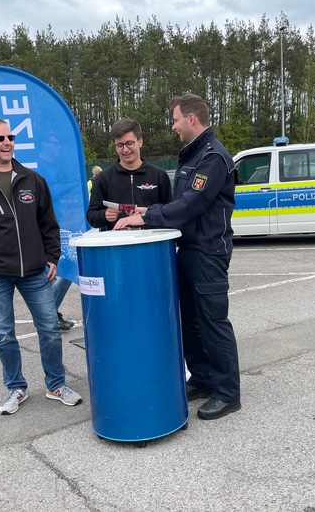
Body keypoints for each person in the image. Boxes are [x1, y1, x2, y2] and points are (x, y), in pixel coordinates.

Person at [114, 94, 241, 420]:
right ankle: (201, 377)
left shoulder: (213, 158)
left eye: (175, 119)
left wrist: (145, 217)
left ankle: (227, 392)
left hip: (208, 252)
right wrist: (149, 210)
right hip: (189, 249)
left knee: (213, 322)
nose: (173, 126)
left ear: (192, 120)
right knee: (191, 321)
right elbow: (180, 202)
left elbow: (191, 206)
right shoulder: (193, 156)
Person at [0, 118, 82, 415]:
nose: (7, 142)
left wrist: (52, 256)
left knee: (48, 328)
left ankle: (56, 384)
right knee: (5, 333)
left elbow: (48, 222)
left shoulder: (32, 179)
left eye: (9, 136)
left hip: (35, 272)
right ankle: (16, 387)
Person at [87, 117, 173, 231]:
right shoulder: (103, 178)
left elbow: (170, 213)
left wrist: (149, 215)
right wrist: (104, 216)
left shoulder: (159, 176)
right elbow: (91, 216)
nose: (125, 150)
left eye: (129, 143)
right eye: (120, 145)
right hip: (117, 245)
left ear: (140, 142)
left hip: (151, 244)